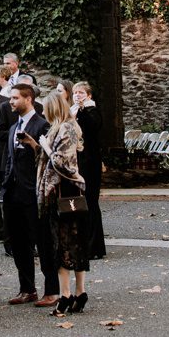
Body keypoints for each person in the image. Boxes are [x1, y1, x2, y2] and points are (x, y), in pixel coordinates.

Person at [22, 86, 90, 315]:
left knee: (64, 245)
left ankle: (67, 294)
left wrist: (46, 147)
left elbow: (62, 163)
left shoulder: (67, 128)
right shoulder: (59, 128)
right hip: (58, 191)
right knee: (71, 243)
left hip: (64, 191)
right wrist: (36, 145)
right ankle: (79, 293)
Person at [0, 79, 51, 307]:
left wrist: (33, 145)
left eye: (15, 98)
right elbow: (8, 159)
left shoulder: (42, 126)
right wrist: (5, 186)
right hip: (12, 192)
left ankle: (52, 290)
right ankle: (27, 288)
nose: (11, 101)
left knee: (43, 240)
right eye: (11, 98)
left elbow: (50, 159)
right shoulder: (12, 127)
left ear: (29, 99)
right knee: (18, 243)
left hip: (33, 191)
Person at [74, 81, 107, 263]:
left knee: (90, 201)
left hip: (90, 161)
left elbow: (92, 129)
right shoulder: (75, 111)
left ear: (88, 95)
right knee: (81, 202)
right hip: (79, 160)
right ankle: (84, 242)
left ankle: (94, 245)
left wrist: (82, 110)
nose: (78, 95)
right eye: (76, 92)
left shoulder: (92, 111)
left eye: (81, 92)